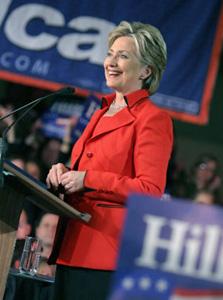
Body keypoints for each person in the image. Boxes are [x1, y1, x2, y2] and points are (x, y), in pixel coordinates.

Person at [46, 21, 173, 300]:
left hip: (107, 255)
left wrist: (88, 179)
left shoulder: (153, 118)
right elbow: (84, 172)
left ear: (146, 71)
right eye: (110, 53)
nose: (111, 62)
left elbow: (150, 190)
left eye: (123, 56)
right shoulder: (99, 112)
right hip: (71, 245)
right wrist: (63, 173)